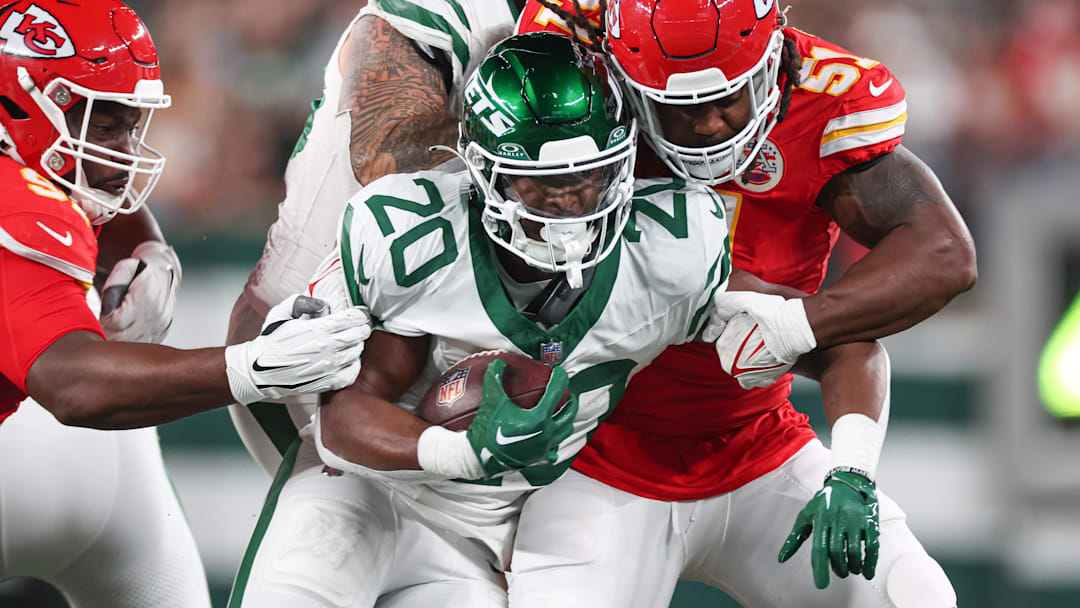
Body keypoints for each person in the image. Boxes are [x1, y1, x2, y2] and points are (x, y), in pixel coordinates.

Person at [227, 32, 734, 607]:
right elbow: (341, 421)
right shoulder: (411, 236)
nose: (568, 205)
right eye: (541, 187)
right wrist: (460, 452)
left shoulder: (675, 249)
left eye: (586, 179)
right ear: (483, 171)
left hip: (480, 544)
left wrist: (781, 326)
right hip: (361, 492)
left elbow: (740, 325)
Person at [506, 1, 973, 607]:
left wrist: (796, 325)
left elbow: (942, 256)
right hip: (593, 458)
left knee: (915, 596)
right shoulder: (577, 90)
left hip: (759, 447)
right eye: (680, 108)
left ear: (773, 57)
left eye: (728, 97)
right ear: (620, 79)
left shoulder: (819, 105)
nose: (707, 125)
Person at [0, 2, 369, 606]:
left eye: (129, 122)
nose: (125, 151)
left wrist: (145, 243)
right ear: (18, 106)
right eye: (105, 123)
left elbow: (79, 181)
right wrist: (251, 367)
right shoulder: (20, 200)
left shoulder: (29, 161)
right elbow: (75, 387)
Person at [225, 0, 527, 475]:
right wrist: (550, 144)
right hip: (323, 347)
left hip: (461, 330)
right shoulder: (451, 11)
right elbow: (383, 157)